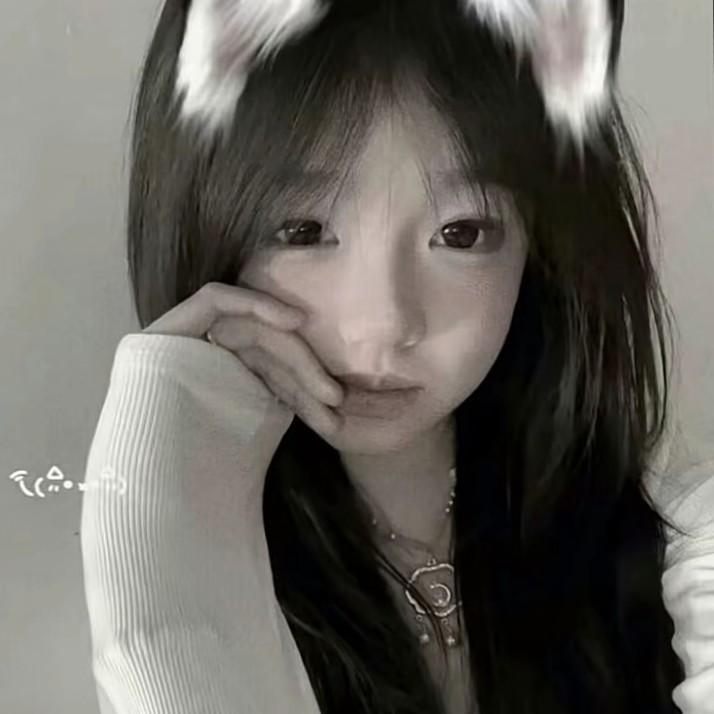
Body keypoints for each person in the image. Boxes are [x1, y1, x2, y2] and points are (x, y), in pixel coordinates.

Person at [80, 1, 714, 713]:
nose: (384, 324)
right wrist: (159, 499)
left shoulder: (665, 533)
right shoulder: (201, 554)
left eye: (462, 232)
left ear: (543, 247)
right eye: (303, 229)